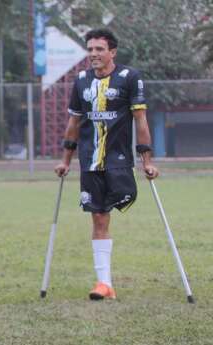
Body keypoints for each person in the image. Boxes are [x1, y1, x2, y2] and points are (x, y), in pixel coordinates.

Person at [54, 28, 159, 300]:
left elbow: (141, 120)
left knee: (120, 201)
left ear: (112, 52)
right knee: (99, 218)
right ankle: (104, 284)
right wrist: (65, 160)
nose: (93, 54)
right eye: (90, 49)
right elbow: (74, 123)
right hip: (90, 161)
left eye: (99, 49)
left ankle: (106, 281)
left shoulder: (129, 78)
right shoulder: (80, 81)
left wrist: (147, 160)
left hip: (119, 161)